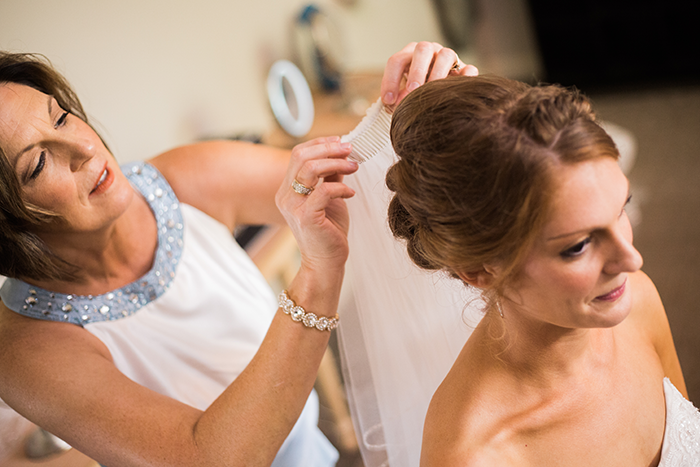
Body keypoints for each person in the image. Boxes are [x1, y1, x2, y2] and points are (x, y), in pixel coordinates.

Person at [0, 42, 475, 466]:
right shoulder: (24, 350)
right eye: (38, 163)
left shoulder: (181, 181)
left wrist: (419, 101)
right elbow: (208, 457)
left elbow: (354, 177)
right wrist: (318, 274)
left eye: (61, 116)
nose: (84, 146)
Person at [381, 75, 700, 466]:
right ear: (480, 271)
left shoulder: (637, 301)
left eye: (622, 209)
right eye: (578, 246)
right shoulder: (474, 455)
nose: (631, 261)